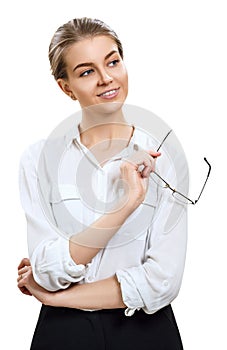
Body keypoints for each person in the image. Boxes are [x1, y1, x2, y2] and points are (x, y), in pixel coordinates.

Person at [17, 17, 188, 350]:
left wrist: (57, 297)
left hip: (145, 333)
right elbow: (47, 270)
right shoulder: (39, 160)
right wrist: (125, 206)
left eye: (112, 61)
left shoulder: (165, 158)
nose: (107, 78)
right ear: (66, 87)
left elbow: (162, 281)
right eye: (86, 71)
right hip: (62, 336)